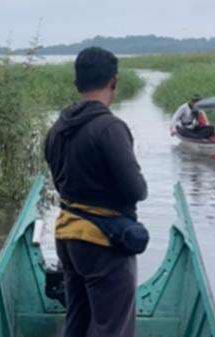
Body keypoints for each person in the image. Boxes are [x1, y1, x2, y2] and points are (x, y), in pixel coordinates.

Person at [44, 47, 147, 337]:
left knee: (77, 321)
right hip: (104, 241)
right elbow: (137, 190)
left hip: (68, 237)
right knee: (111, 327)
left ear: (78, 84)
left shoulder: (57, 129)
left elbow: (61, 182)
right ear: (113, 82)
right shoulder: (110, 128)